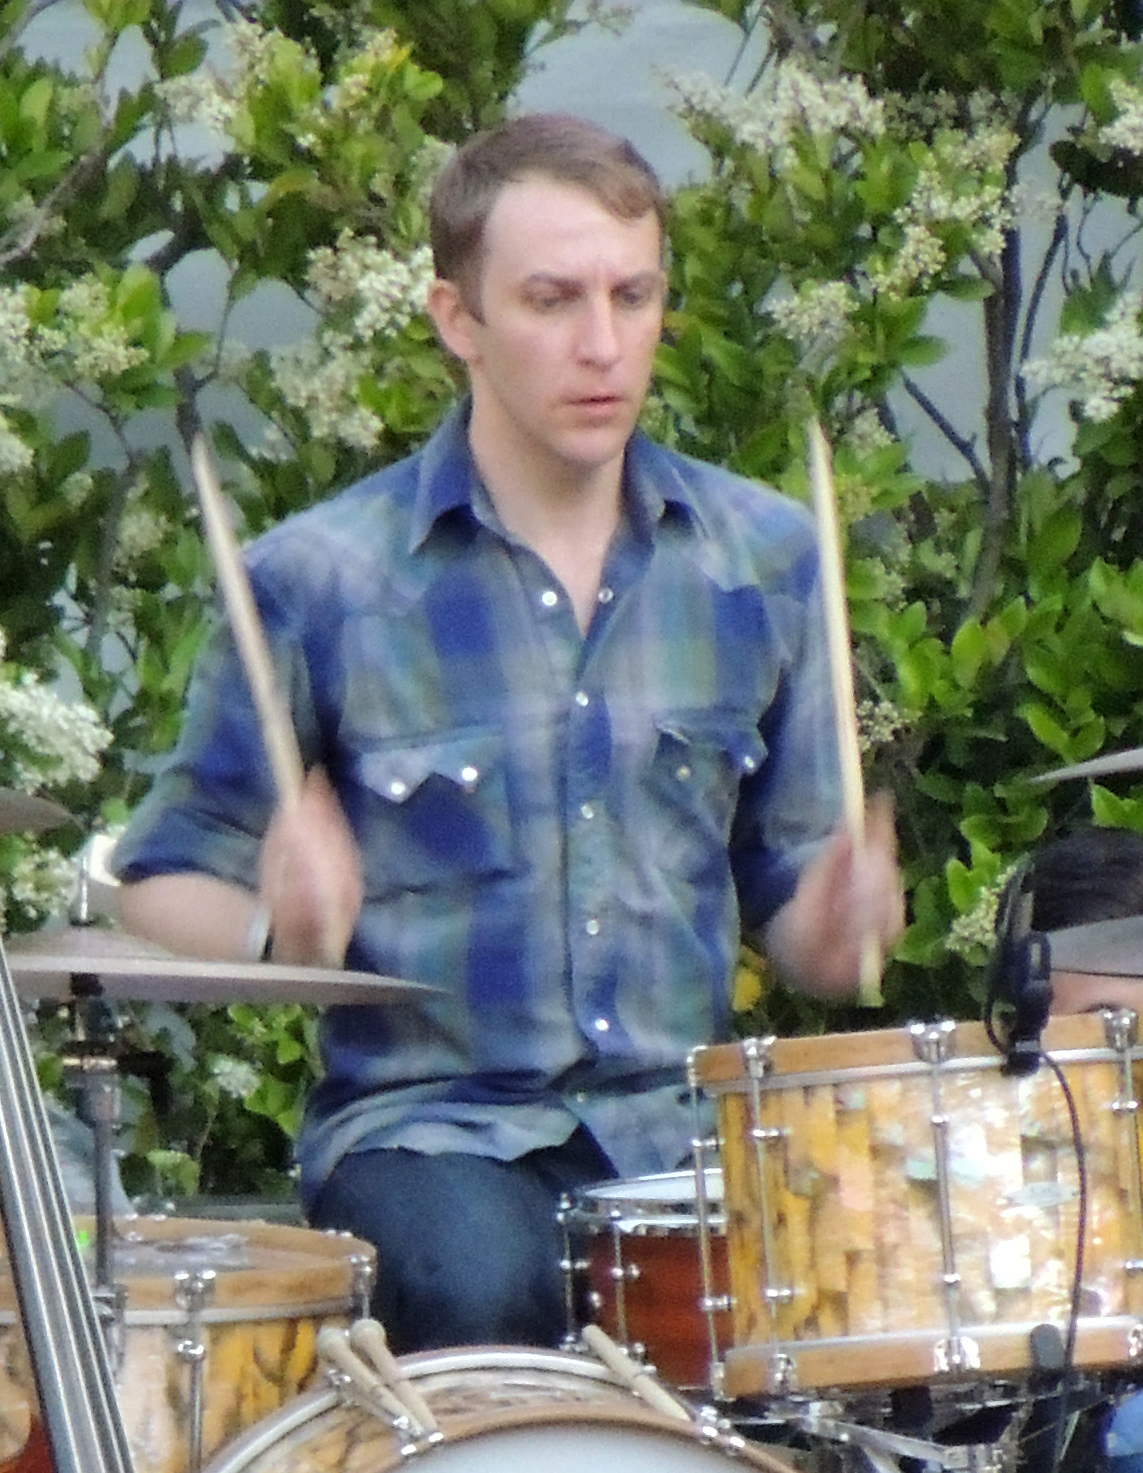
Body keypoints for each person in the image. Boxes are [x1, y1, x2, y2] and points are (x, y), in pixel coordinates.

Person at [110, 112, 903, 1356]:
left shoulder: (763, 560)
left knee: (881, 1272)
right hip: (432, 1132)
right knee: (480, 1284)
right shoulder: (321, 580)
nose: (603, 345)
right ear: (457, 318)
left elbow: (798, 917)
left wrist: (843, 917)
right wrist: (279, 930)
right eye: (551, 300)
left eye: (632, 296)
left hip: (679, 1133)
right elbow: (156, 878)